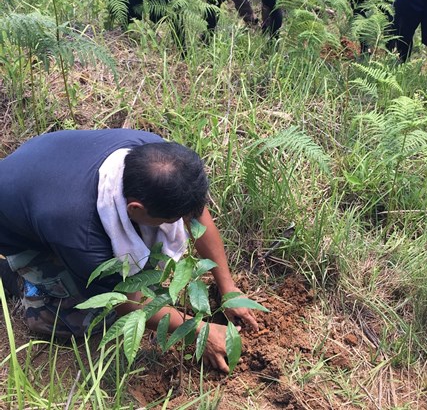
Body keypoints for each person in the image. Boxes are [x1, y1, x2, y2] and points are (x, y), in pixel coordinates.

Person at [0, 129, 258, 373]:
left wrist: (228, 289)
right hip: (17, 226)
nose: (180, 223)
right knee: (78, 320)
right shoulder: (82, 236)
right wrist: (200, 331)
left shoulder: (158, 158)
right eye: (172, 219)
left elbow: (197, 214)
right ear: (135, 209)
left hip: (44, 171)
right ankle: (13, 277)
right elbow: (125, 302)